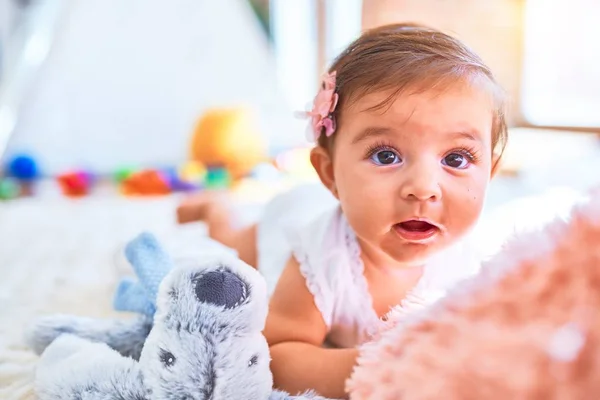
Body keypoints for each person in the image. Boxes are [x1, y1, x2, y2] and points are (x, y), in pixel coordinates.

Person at [177, 22, 508, 398]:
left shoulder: (483, 262)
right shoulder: (319, 258)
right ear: (330, 173)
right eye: (386, 155)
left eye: (456, 158)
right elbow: (275, 355)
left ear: (490, 174)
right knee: (233, 241)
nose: (423, 187)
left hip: (313, 204)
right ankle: (214, 208)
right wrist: (375, 370)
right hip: (288, 219)